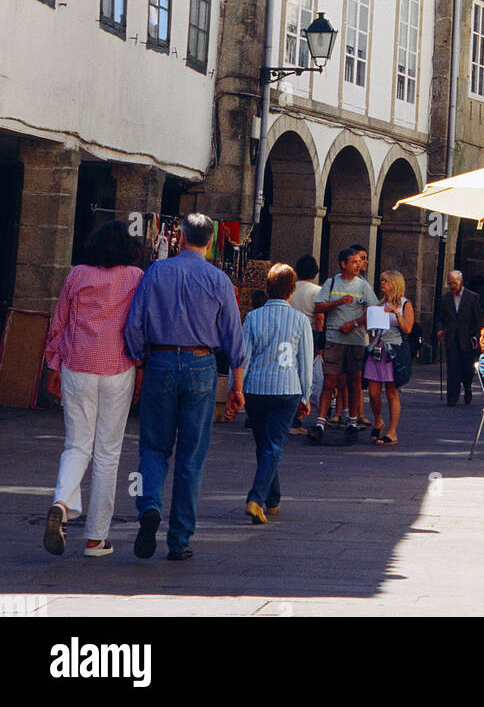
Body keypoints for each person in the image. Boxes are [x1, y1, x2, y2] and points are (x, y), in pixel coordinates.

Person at [124, 212, 245, 561]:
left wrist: (140, 360)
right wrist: (237, 387)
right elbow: (234, 339)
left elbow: (135, 325)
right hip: (201, 365)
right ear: (209, 242)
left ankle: (148, 505)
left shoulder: (156, 272)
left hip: (160, 362)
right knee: (192, 456)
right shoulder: (219, 279)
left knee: (152, 447)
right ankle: (179, 540)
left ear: (180, 238)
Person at [42, 221, 143, 558]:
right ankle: (96, 538)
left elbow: (59, 322)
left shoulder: (77, 275)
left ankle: (61, 501)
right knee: (108, 453)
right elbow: (140, 321)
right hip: (117, 368)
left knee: (76, 444)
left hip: (77, 365)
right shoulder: (134, 277)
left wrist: (53, 365)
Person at [241, 263, 313, 523]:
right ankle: (256, 498)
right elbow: (305, 361)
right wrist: (306, 396)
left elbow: (243, 358)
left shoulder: (252, 317)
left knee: (264, 444)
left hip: (256, 389)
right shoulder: (300, 320)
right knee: (274, 445)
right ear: (292, 290)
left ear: (267, 288)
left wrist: (235, 390)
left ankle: (273, 499)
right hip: (286, 388)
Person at [308, 246, 379, 444]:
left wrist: (354, 323)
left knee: (355, 381)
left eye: (359, 261)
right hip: (334, 339)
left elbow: (374, 310)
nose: (358, 265)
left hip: (356, 340)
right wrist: (337, 303)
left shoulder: (363, 286)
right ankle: (320, 422)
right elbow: (319, 306)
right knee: (330, 380)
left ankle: (352, 422)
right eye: (354, 262)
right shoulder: (331, 283)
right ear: (344, 264)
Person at [364, 270, 414, 445]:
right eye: (381, 280)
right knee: (373, 391)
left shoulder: (405, 304)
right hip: (377, 348)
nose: (382, 283)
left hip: (394, 350)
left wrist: (396, 313)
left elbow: (408, 328)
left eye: (385, 281)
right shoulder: (379, 304)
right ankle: (378, 419)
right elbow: (372, 329)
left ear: (395, 284)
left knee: (392, 391)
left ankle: (392, 432)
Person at [437, 270, 483, 406]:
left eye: (454, 283)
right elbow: (440, 319)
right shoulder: (445, 299)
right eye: (450, 283)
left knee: (467, 368)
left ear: (461, 282)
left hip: (467, 339)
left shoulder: (472, 297)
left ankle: (467, 387)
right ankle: (452, 397)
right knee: (452, 368)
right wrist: (440, 329)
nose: (452, 286)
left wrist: (477, 336)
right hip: (451, 338)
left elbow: (478, 320)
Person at [287, 254, 324, 427]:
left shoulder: (290, 289)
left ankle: (291, 414)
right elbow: (320, 319)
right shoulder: (317, 291)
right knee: (306, 374)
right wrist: (320, 340)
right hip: (309, 335)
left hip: (289, 333)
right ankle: (300, 410)